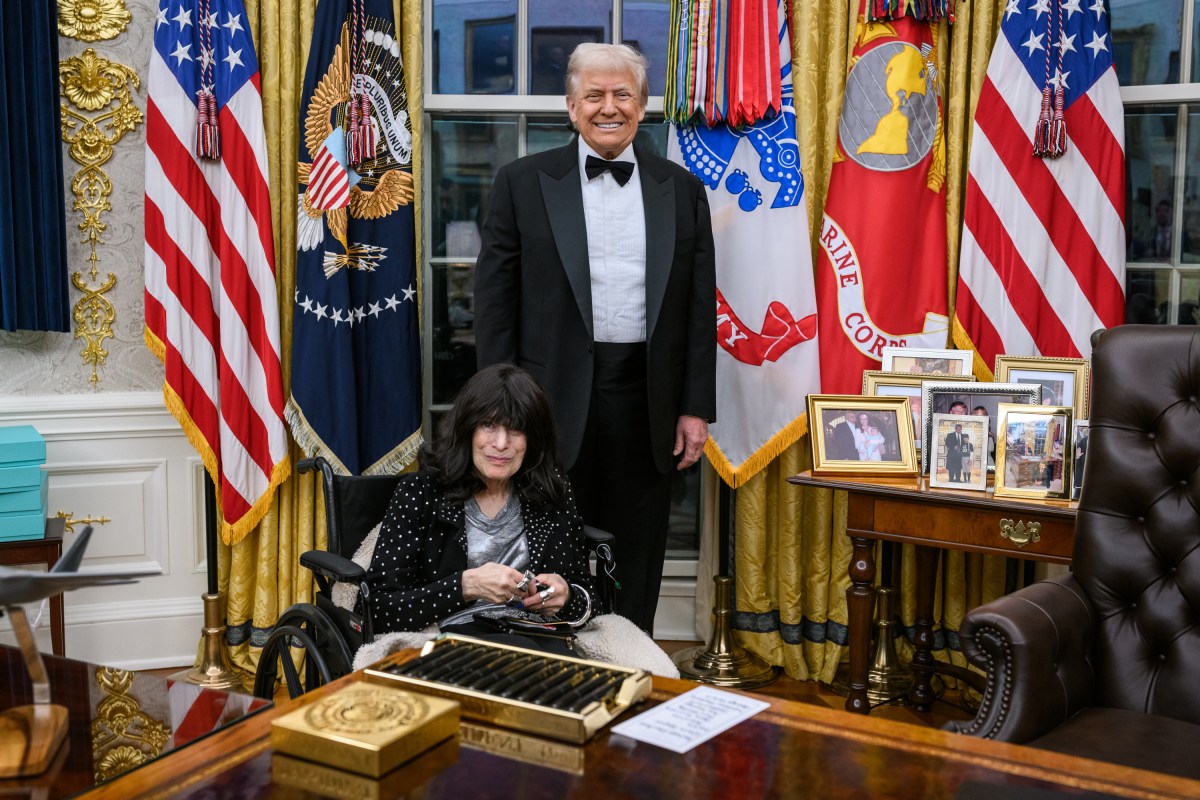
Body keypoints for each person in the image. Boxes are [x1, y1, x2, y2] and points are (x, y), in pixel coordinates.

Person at [474, 43, 716, 634]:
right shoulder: (521, 182)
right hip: (546, 397)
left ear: (643, 104)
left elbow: (697, 308)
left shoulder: (682, 189)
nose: (609, 107)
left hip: (648, 398)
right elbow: (495, 305)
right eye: (595, 96)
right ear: (571, 106)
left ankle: (631, 657)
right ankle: (556, 661)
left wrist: (694, 408)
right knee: (547, 546)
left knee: (637, 549)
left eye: (622, 95)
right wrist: (501, 408)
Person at [364, 365, 596, 655]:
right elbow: (379, 610)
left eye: (516, 429)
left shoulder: (550, 490)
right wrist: (466, 585)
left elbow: (589, 600)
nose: (501, 444)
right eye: (488, 425)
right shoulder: (422, 492)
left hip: (538, 635)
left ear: (533, 438)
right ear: (467, 428)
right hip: (454, 642)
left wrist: (567, 595)